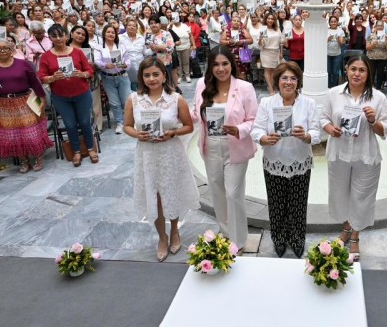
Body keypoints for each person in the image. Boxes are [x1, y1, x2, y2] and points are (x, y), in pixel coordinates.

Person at [123, 56, 198, 261]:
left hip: (170, 152)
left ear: (164, 76)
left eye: (156, 74)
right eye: (147, 75)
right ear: (141, 78)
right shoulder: (134, 99)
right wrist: (137, 134)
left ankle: (174, 230)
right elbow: (127, 126)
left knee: (170, 193)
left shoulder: (176, 99)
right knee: (154, 196)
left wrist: (173, 132)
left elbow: (188, 126)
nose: (152, 79)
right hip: (147, 154)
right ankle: (162, 237)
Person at [321, 54, 387, 261]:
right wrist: (330, 128)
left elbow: (384, 129)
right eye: (353, 69)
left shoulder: (378, 97)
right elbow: (323, 118)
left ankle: (355, 236)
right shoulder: (333, 93)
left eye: (362, 70)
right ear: (346, 70)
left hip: (365, 155)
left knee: (362, 197)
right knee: (340, 194)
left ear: (368, 73)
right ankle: (345, 228)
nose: (357, 74)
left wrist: (372, 120)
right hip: (339, 153)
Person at [251, 61, 320, 258]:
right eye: (284, 78)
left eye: (293, 78)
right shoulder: (267, 103)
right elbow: (256, 129)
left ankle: (297, 239)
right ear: (277, 80)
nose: (288, 82)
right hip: (274, 160)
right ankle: (279, 238)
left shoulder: (308, 103)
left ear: (298, 82)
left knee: (298, 204)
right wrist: (264, 138)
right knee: (276, 204)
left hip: (300, 161)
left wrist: (306, 136)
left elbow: (316, 131)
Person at [192, 47, 258, 249]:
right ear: (210, 67)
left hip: (236, 147)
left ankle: (238, 241)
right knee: (217, 192)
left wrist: (239, 129)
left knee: (232, 193)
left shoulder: (245, 88)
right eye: (216, 64)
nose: (221, 69)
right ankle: (225, 233)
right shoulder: (202, 84)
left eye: (225, 64)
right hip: (211, 147)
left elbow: (254, 120)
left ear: (232, 64)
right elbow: (196, 114)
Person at [0, 38, 52, 173]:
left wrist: (42, 98)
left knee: (31, 133)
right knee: (13, 135)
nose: (2, 51)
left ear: (11, 49)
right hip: (2, 104)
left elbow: (35, 82)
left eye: (5, 48)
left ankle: (38, 158)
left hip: (24, 101)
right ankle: (23, 160)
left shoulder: (22, 63)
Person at [38, 24, 98, 167]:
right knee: (70, 124)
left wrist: (82, 74)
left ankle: (91, 148)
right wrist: (53, 77)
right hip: (61, 97)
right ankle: (76, 151)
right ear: (50, 38)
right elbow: (42, 77)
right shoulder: (46, 56)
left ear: (67, 36)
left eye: (61, 35)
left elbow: (89, 71)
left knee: (85, 122)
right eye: (54, 36)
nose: (58, 38)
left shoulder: (77, 52)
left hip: (81, 93)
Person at [95, 24, 131, 134]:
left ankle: (130, 121)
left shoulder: (121, 46)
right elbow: (97, 61)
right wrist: (105, 65)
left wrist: (125, 65)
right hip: (108, 78)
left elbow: (128, 60)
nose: (111, 34)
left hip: (122, 76)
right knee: (114, 103)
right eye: (108, 32)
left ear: (116, 34)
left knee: (126, 101)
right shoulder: (99, 47)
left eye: (113, 32)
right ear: (104, 34)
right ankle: (120, 123)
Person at [259, 12, 284, 95]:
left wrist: (281, 53)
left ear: (274, 20)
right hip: (266, 52)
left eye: (272, 19)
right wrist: (260, 39)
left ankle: (272, 86)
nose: (270, 20)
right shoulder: (263, 29)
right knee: (267, 70)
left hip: (275, 52)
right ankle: (270, 87)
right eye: (268, 18)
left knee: (274, 70)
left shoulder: (277, 29)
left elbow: (281, 42)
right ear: (266, 20)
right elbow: (260, 44)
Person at [222, 16, 255, 80]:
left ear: (240, 23)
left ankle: (242, 85)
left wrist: (243, 41)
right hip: (230, 55)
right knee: (230, 72)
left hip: (242, 55)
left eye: (238, 21)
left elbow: (251, 40)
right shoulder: (227, 31)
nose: (236, 22)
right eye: (234, 21)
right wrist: (229, 42)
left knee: (242, 73)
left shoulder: (243, 30)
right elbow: (221, 42)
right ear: (231, 22)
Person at [119, 18, 145, 91]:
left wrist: (153, 49)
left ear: (136, 28)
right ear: (126, 27)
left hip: (140, 67)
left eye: (134, 26)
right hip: (127, 69)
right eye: (129, 25)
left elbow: (145, 52)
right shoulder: (120, 38)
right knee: (130, 90)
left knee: (141, 89)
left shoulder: (141, 38)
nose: (132, 27)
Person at [366, 20, 387, 90]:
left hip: (382, 57)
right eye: (378, 25)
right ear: (375, 26)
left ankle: (378, 88)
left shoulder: (386, 36)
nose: (380, 27)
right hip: (371, 57)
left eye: (381, 26)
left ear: (383, 27)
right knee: (371, 73)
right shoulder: (371, 35)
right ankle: (370, 88)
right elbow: (367, 48)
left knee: (380, 74)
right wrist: (373, 45)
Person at [327, 15, 346, 88]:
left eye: (335, 21)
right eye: (331, 22)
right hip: (327, 54)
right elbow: (321, 44)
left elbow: (342, 44)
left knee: (335, 72)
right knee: (328, 72)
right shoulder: (326, 30)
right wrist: (328, 40)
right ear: (329, 23)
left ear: (337, 22)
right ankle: (328, 87)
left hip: (337, 54)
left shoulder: (340, 31)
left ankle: (335, 87)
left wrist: (339, 41)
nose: (333, 23)